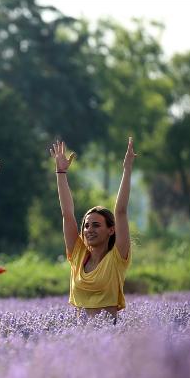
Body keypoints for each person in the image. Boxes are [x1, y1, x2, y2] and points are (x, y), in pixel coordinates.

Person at [50, 137, 137, 323]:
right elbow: (67, 213)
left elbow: (120, 211)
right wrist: (61, 172)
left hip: (108, 337)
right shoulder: (78, 254)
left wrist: (127, 169)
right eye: (87, 225)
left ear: (111, 230)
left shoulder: (117, 258)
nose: (89, 230)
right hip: (79, 338)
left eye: (96, 225)